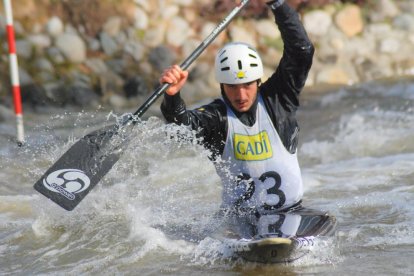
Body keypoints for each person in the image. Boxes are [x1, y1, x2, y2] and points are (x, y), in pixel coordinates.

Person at [160, 0, 314, 216]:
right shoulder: (217, 118)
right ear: (222, 85)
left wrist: (277, 4)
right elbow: (181, 127)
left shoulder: (279, 99)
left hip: (291, 213)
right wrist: (172, 95)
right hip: (239, 223)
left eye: (247, 85)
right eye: (232, 87)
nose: (241, 95)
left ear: (258, 81)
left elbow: (302, 51)